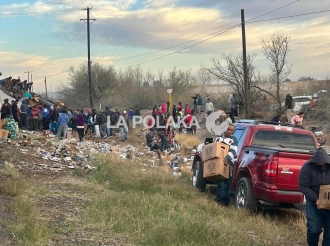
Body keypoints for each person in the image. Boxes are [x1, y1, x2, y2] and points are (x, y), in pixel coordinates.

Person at [299, 147, 330, 246]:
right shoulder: (307, 167)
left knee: (329, 234)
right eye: (319, 163)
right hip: (313, 203)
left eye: (323, 163)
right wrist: (316, 199)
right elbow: (303, 186)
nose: (321, 165)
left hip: (329, 204)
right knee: (314, 230)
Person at [214, 124, 238, 206]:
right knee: (220, 182)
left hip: (228, 163)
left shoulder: (234, 140)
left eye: (231, 130)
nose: (229, 131)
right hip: (218, 162)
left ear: (233, 132)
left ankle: (224, 201)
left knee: (226, 183)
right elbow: (214, 147)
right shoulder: (218, 138)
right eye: (228, 129)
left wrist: (227, 158)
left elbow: (233, 150)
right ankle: (220, 199)